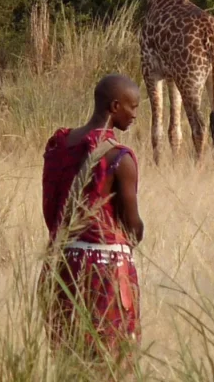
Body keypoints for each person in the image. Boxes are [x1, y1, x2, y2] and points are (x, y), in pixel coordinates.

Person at [39, 73, 144, 365]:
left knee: (67, 359)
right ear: (114, 106)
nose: (135, 114)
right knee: (110, 361)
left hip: (61, 263)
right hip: (106, 273)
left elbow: (52, 207)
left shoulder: (58, 147)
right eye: (132, 107)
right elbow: (133, 227)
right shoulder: (119, 158)